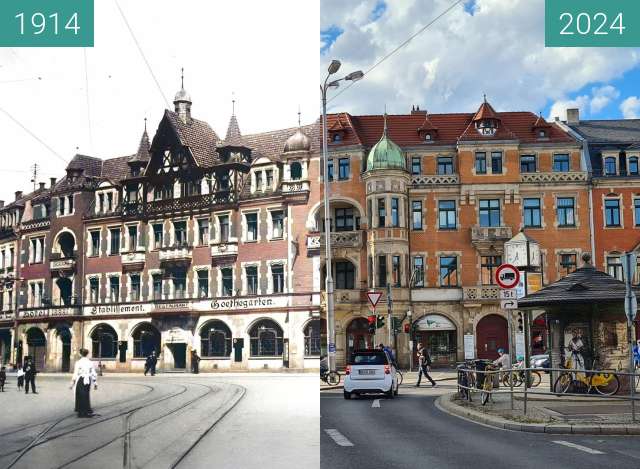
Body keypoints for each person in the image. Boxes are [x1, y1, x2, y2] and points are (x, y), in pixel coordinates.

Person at [70, 348, 97, 418]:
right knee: (86, 394)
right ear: (87, 354)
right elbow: (93, 373)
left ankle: (81, 411)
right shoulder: (90, 362)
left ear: (80, 354)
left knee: (79, 394)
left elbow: (75, 373)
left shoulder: (78, 362)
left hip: (81, 379)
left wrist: (72, 383)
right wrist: (95, 383)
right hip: (88, 380)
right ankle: (86, 410)